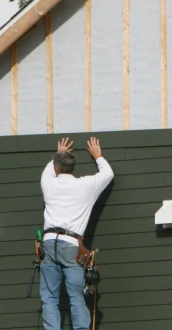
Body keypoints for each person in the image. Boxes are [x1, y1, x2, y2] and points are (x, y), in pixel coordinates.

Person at [40, 136, 114, 330]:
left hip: (48, 243)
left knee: (49, 297)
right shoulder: (85, 185)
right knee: (76, 296)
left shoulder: (48, 184)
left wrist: (59, 153)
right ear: (72, 168)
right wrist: (98, 156)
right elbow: (107, 174)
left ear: (57, 168)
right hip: (71, 244)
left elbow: (48, 170)